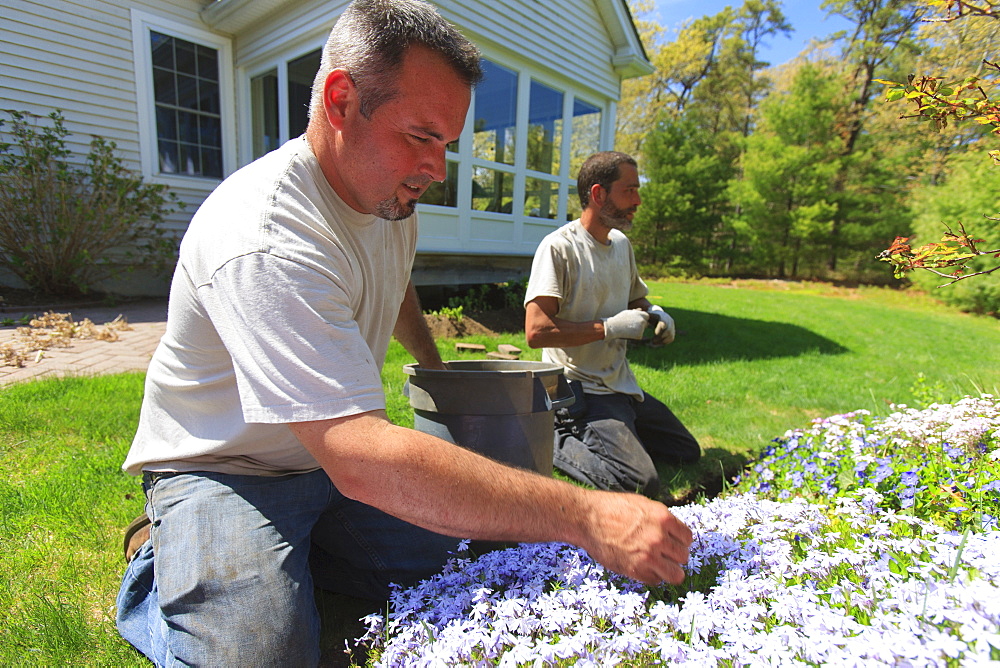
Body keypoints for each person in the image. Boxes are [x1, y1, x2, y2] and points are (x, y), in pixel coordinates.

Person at [114, 2, 693, 664]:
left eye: (447, 143)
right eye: (421, 136)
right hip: (223, 468)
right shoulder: (266, 237)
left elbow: (394, 286)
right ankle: (160, 563)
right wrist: (588, 516)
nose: (437, 168)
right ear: (340, 100)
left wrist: (434, 363)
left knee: (481, 555)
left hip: (325, 467)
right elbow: (360, 454)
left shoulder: (387, 198)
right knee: (264, 650)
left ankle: (300, 557)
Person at [524, 151, 701, 498]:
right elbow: (536, 331)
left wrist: (658, 313)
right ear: (598, 194)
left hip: (619, 384)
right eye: (629, 190)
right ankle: (551, 434)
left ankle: (620, 431)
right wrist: (608, 328)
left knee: (685, 451)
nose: (638, 200)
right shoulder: (559, 248)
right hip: (577, 386)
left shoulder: (621, 244)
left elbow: (636, 299)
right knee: (641, 483)